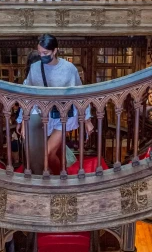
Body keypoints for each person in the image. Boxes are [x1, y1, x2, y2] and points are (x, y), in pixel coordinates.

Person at [16, 34, 94, 175]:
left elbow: (81, 94)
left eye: (45, 53)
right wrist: (23, 121)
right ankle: (60, 173)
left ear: (55, 50)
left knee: (48, 152)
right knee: (56, 151)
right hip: (45, 116)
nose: (42, 56)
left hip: (63, 117)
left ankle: (60, 178)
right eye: (39, 53)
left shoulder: (69, 69)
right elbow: (26, 96)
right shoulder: (34, 68)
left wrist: (87, 120)